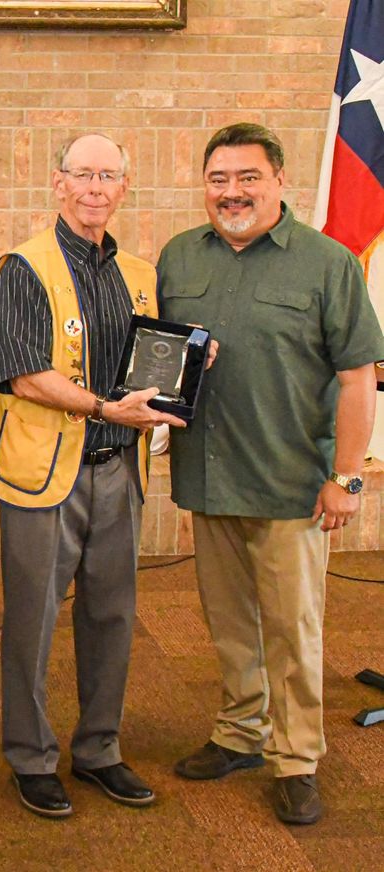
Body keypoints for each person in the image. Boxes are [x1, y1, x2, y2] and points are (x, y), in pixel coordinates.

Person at [159, 122, 384, 826]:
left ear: (280, 181)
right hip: (209, 478)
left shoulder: (326, 263)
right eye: (219, 179)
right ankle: (239, 733)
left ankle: (296, 758)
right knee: (229, 624)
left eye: (248, 177)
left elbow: (358, 378)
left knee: (292, 631)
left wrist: (347, 478)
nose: (233, 192)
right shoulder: (177, 257)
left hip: (293, 486)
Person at [0, 133, 185, 818]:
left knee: (113, 615)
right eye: (83, 174)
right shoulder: (23, 267)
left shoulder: (141, 274)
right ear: (58, 183)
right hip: (44, 474)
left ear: (124, 187)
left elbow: (150, 361)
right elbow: (23, 374)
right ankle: (31, 757)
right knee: (32, 620)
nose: (96, 188)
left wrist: (188, 368)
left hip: (119, 469)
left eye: (109, 176)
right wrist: (104, 408)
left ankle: (99, 749)